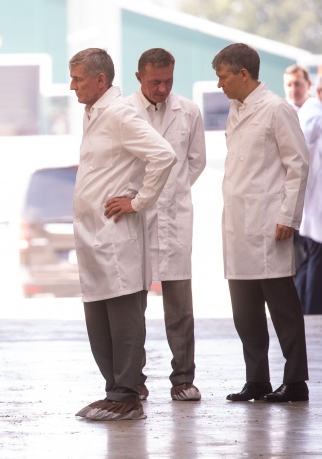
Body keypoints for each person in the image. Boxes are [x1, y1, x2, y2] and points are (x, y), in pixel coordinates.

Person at [69, 48, 177, 421]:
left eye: (78, 78)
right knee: (99, 320)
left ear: (101, 80)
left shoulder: (119, 113)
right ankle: (114, 391)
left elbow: (163, 155)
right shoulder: (94, 113)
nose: (72, 86)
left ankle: (127, 394)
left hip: (116, 237)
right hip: (94, 238)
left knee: (124, 318)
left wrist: (139, 201)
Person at [212, 43, 310, 403]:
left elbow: (297, 165)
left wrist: (288, 216)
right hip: (238, 225)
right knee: (245, 312)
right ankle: (257, 380)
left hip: (270, 225)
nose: (219, 84)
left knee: (282, 308)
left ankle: (296, 381)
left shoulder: (276, 109)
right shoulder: (236, 110)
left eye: (223, 76)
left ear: (242, 74)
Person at [128, 48, 206, 402]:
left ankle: (183, 378)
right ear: (139, 78)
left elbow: (196, 161)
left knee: (179, 306)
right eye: (155, 81)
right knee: (133, 306)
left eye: (168, 81)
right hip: (137, 219)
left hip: (175, 217)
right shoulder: (125, 113)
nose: (162, 89)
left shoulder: (188, 111)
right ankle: (134, 379)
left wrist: (171, 191)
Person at [283, 65, 322, 315]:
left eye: (298, 84)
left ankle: (307, 313)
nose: (294, 89)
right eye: (289, 85)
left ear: (308, 86)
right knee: (306, 263)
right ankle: (305, 313)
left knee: (312, 261)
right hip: (299, 205)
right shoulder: (289, 113)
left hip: (312, 204)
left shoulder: (314, 114)